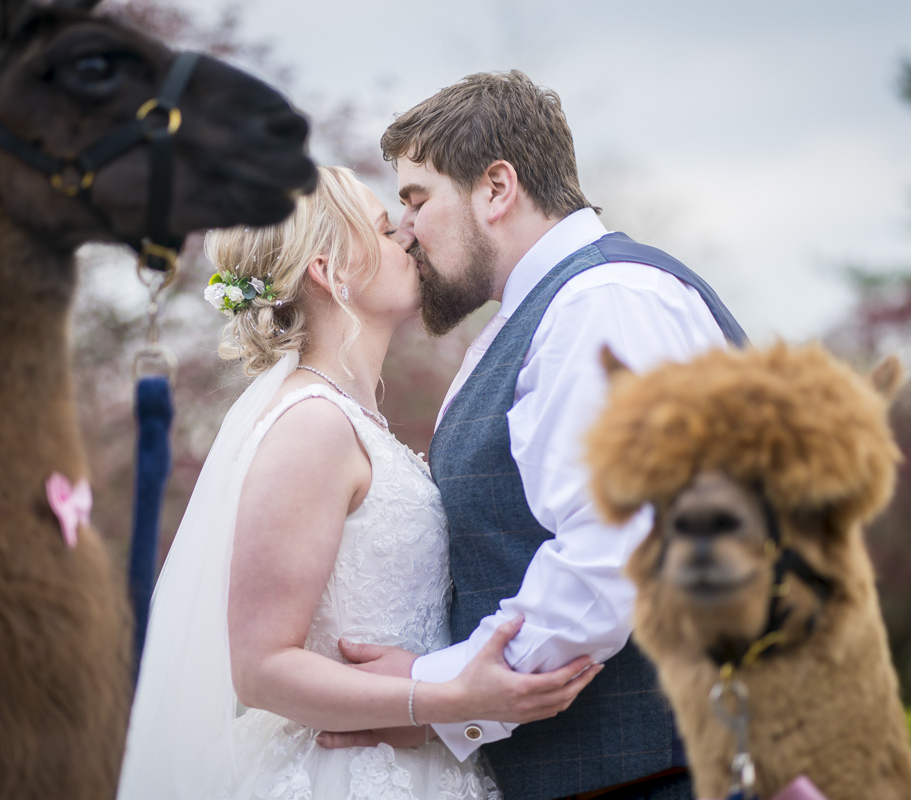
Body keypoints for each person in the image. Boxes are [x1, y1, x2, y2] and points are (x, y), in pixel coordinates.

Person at [318, 72, 748, 800]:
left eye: (418, 198)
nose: (406, 228)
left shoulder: (604, 304)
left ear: (496, 188)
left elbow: (616, 549)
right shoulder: (555, 309)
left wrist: (437, 692)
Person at [115, 166, 602, 800]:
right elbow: (261, 671)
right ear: (329, 271)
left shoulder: (356, 422)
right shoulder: (311, 426)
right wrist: (445, 698)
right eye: (382, 227)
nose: (407, 234)